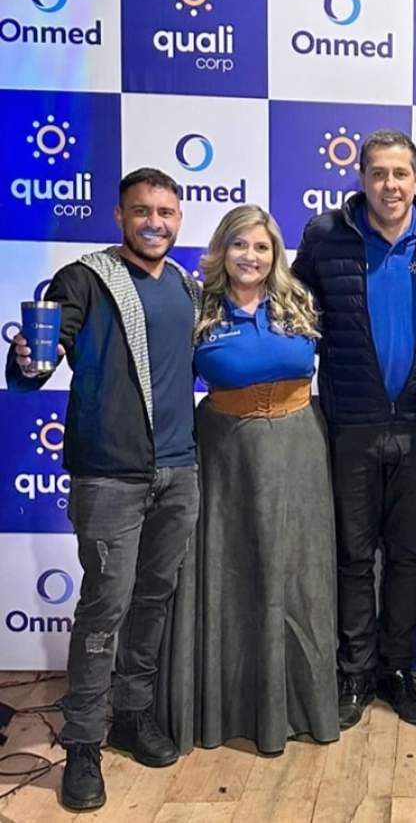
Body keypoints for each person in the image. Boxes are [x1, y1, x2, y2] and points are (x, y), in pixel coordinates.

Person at [6, 168, 200, 811]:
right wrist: (25, 361)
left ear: (179, 218)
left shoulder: (184, 285)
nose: (155, 222)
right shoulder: (84, 279)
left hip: (180, 471)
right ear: (120, 216)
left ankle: (131, 715)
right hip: (109, 475)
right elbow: (39, 359)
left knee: (153, 601)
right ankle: (84, 742)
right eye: (142, 211)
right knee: (102, 611)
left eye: (166, 212)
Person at [291, 130, 416, 729]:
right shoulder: (324, 236)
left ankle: (397, 671)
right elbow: (292, 310)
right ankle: (354, 673)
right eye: (378, 174)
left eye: (400, 174)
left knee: (409, 556)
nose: (390, 185)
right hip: (352, 424)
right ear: (362, 178)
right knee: (352, 556)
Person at [158, 205, 339, 754]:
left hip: (300, 451)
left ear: (275, 254)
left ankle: (301, 707)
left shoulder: (299, 301)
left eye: (261, 247)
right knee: (231, 577)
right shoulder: (197, 307)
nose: (251, 257)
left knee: (298, 580)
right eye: (240, 245)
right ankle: (226, 710)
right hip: (224, 457)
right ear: (222, 249)